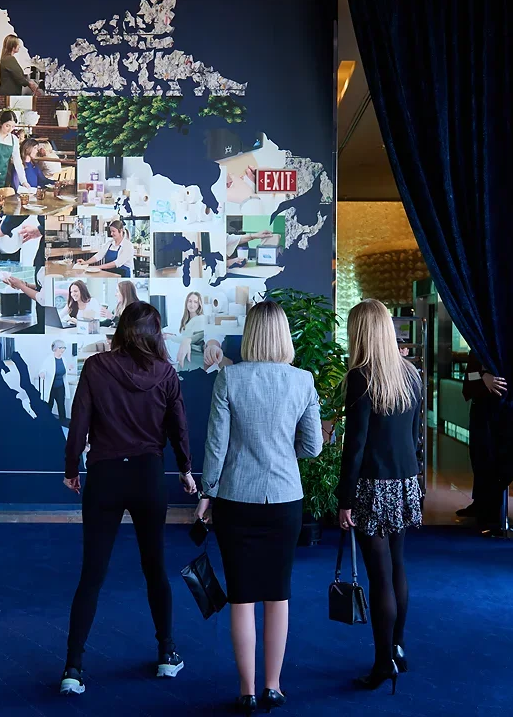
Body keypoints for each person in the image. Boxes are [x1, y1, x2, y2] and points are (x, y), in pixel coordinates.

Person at [60, 301, 197, 696]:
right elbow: (179, 428)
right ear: (155, 334)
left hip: (105, 475)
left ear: (121, 329)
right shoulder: (167, 374)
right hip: (147, 475)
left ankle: (73, 667)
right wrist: (186, 470)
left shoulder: (96, 366)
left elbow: (79, 423)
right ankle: (167, 654)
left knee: (92, 574)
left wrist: (72, 469)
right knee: (155, 568)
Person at [197, 301, 322, 715]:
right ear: (284, 336)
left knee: (242, 596)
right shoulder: (302, 380)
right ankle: (274, 686)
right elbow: (314, 445)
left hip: (235, 499)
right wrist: (286, 455)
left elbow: (216, 446)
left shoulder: (230, 378)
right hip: (285, 499)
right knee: (278, 594)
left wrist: (207, 493)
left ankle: (247, 691)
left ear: (250, 334)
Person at [337, 299, 423, 696]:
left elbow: (354, 446)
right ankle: (398, 648)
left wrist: (344, 498)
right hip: (406, 481)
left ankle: (382, 661)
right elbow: (416, 437)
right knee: (399, 567)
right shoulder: (411, 374)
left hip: (372, 484)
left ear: (361, 332)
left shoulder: (361, 377)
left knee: (379, 577)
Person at [457, 351, 508, 522]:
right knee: (478, 456)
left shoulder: (502, 345)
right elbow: (469, 375)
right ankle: (480, 503)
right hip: (480, 409)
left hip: (500, 411)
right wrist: (482, 376)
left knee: (493, 458)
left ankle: (492, 508)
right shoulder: (478, 347)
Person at [40, 340, 72, 425]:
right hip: (51, 388)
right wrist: (42, 373)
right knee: (49, 405)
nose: (63, 350)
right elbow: (43, 369)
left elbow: (64, 372)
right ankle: (46, 423)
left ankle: (63, 423)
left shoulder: (64, 359)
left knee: (61, 406)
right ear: (55, 349)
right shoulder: (49, 359)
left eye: (64, 348)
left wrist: (69, 368)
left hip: (61, 387)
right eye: (60, 348)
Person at [176, 291, 205, 370]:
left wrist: (170, 337)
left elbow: (199, 336)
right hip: (186, 357)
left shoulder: (200, 319)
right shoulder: (186, 320)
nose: (192, 305)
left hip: (195, 359)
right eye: (190, 301)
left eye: (195, 302)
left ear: (199, 304)